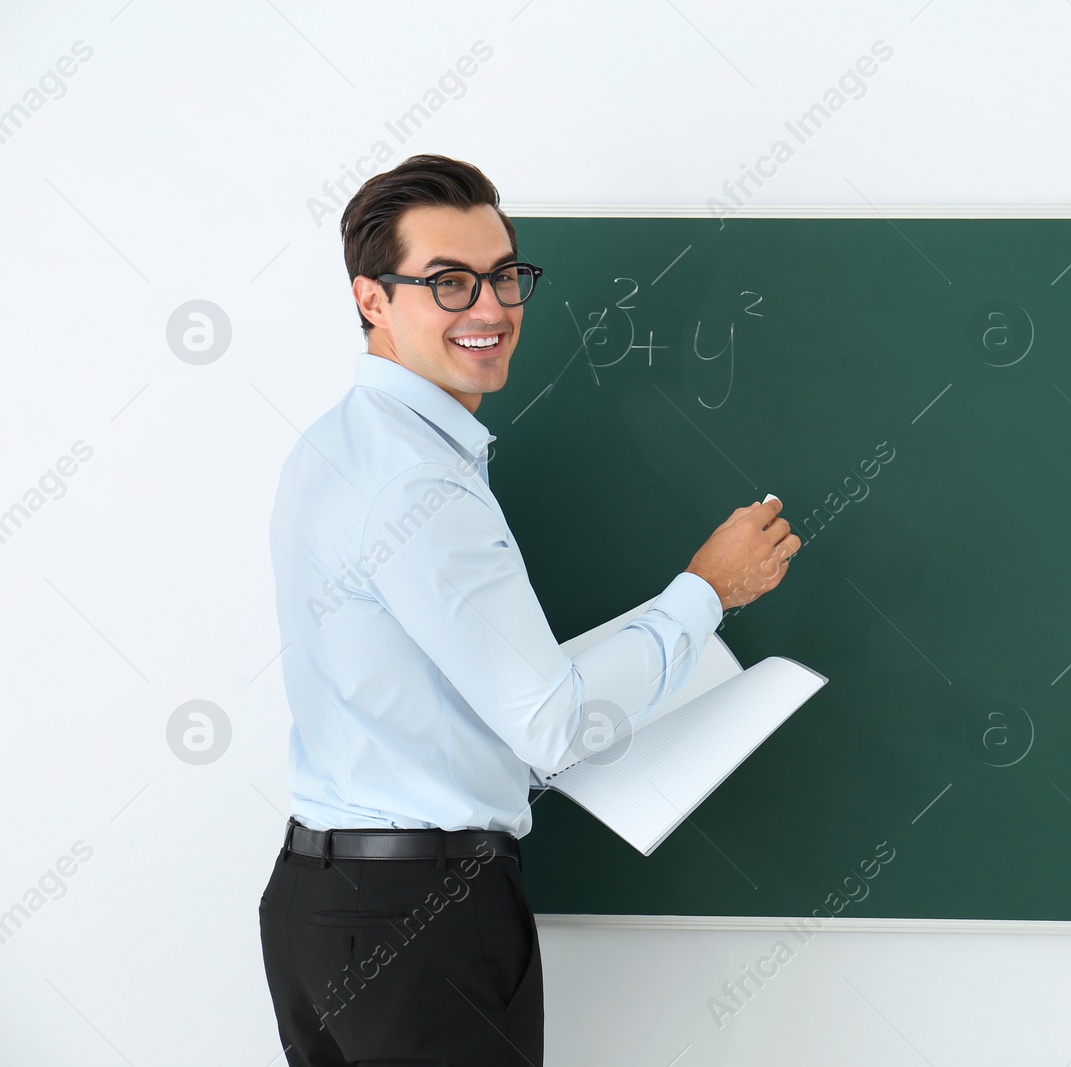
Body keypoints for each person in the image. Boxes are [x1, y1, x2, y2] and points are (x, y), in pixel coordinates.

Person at [257, 153, 799, 1065]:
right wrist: (707, 592)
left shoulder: (337, 445)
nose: (491, 308)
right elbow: (553, 725)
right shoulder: (417, 480)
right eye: (449, 282)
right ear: (371, 299)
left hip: (323, 906)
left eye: (505, 276)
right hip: (419, 924)